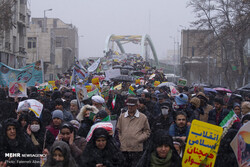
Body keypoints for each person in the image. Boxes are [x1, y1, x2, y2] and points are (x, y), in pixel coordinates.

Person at [116, 97, 151, 167]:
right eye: (129, 105)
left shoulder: (143, 117)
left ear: (137, 106)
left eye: (132, 105)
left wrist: (139, 139)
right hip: (124, 148)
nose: (130, 107)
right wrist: (121, 139)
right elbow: (118, 130)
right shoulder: (122, 117)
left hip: (137, 149)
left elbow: (147, 131)